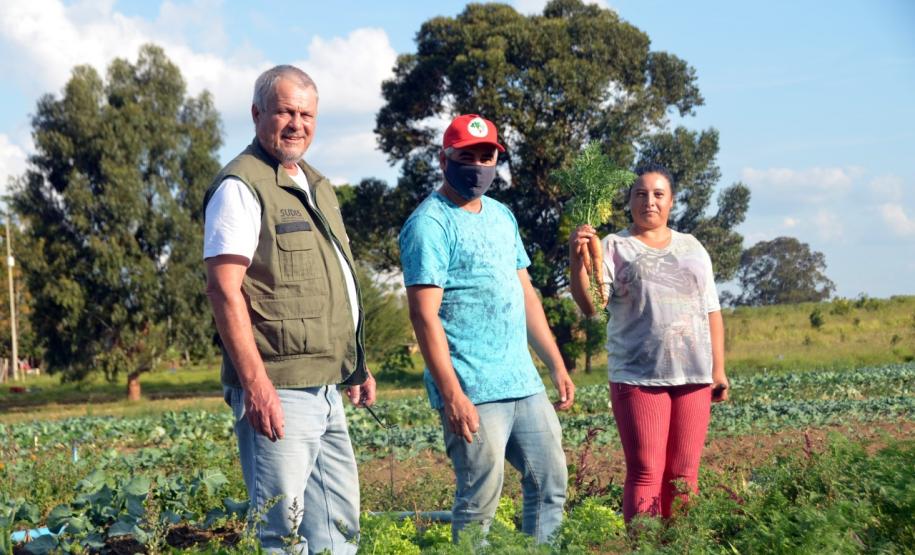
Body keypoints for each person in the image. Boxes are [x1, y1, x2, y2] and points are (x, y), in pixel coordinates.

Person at [203, 65, 375, 554]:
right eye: (284, 111)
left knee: (338, 527)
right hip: (278, 387)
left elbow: (331, 286)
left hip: (325, 386)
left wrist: (356, 365)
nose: (296, 123)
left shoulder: (317, 185)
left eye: (306, 114)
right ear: (257, 113)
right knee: (283, 531)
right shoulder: (242, 184)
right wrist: (256, 385)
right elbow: (223, 290)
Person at [399, 114, 576, 544]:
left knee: (550, 484)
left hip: (522, 382)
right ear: (445, 160)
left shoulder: (501, 215)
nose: (478, 165)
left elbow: (526, 292)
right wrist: (452, 394)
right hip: (472, 388)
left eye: (487, 156)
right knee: (480, 501)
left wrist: (555, 363)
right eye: (467, 156)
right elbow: (424, 317)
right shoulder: (429, 224)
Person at [569, 163, 729, 523]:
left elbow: (712, 310)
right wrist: (577, 260)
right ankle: (643, 547)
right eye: (640, 194)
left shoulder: (692, 246)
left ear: (671, 202)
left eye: (658, 194)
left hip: (694, 376)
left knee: (685, 475)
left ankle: (681, 546)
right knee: (645, 471)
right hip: (639, 377)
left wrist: (718, 370)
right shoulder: (613, 246)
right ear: (629, 201)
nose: (649, 202)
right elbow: (591, 304)